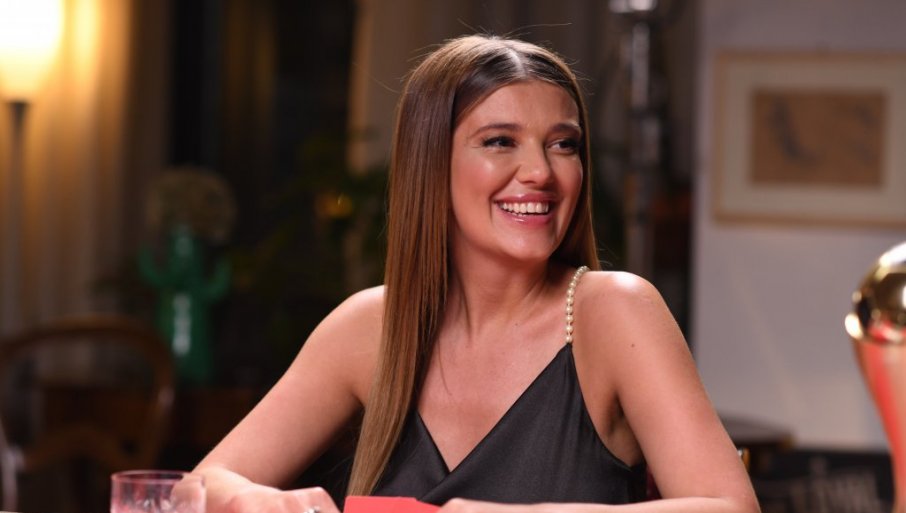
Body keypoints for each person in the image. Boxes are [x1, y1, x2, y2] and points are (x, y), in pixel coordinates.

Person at [194, 34, 760, 513]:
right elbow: (198, 487)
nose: (540, 171)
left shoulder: (615, 310)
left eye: (563, 145)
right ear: (431, 162)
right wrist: (257, 500)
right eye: (500, 141)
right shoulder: (370, 325)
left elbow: (731, 508)